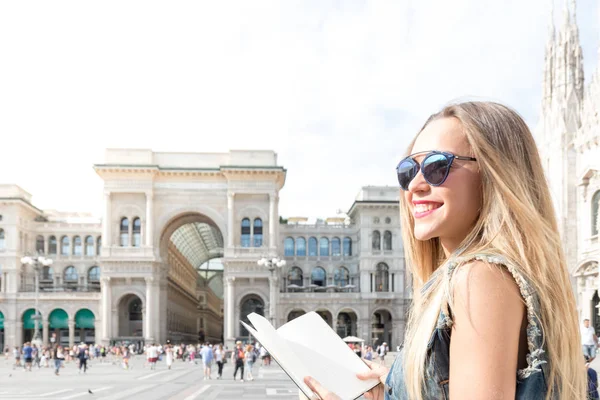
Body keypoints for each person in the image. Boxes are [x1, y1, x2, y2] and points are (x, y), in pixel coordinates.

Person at [303, 101, 587, 399]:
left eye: (437, 166)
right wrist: (400, 387)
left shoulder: (480, 277)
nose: (415, 184)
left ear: (494, 173)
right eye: (407, 170)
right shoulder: (478, 277)